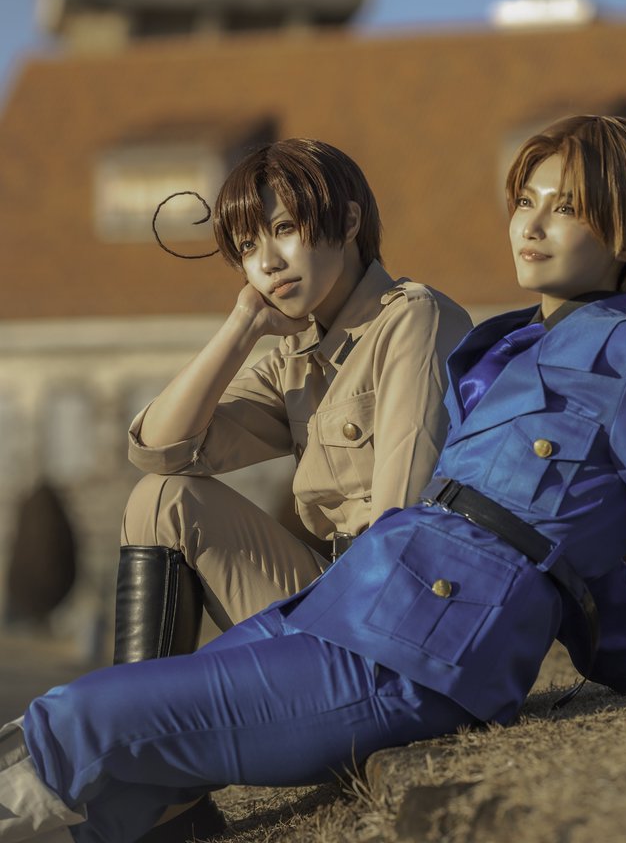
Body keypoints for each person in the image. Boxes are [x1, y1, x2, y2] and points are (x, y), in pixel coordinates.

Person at [5, 114, 626, 843]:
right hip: (346, 608)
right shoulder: (503, 350)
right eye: (525, 201)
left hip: (418, 643)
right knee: (124, 781)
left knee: (80, 719)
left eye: (565, 207)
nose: (531, 225)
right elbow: (576, 548)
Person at [114, 137, 472, 662]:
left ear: (348, 223)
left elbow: (405, 525)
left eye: (283, 229)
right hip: (340, 593)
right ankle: (137, 700)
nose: (267, 263)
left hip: (409, 616)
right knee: (161, 500)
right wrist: (243, 325)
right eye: (246, 247)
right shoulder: (297, 359)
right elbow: (159, 450)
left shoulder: (414, 319)